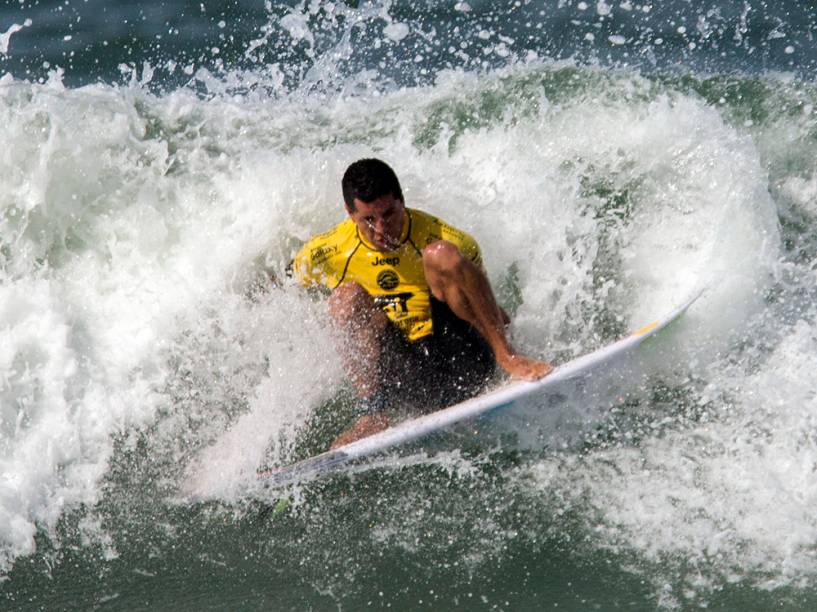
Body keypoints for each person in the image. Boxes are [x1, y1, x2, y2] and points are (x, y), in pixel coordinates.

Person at [291, 158, 552, 448]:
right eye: (368, 219)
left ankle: (509, 359)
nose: (381, 229)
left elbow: (489, 311)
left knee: (441, 255)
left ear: (402, 202)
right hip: (403, 378)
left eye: (389, 214)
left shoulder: (446, 238)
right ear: (350, 214)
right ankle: (372, 413)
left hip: (465, 359)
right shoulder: (328, 251)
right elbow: (286, 285)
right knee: (346, 297)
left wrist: (512, 349)